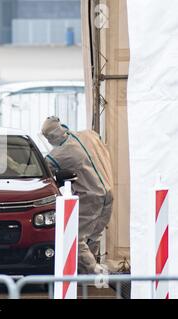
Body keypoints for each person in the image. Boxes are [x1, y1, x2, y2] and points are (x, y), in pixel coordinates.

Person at [41, 116, 113, 274]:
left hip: (91, 197)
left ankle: (95, 273)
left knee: (76, 236)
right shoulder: (88, 135)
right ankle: (86, 274)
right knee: (93, 235)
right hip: (108, 191)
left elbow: (43, 171)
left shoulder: (60, 153)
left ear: (50, 137)